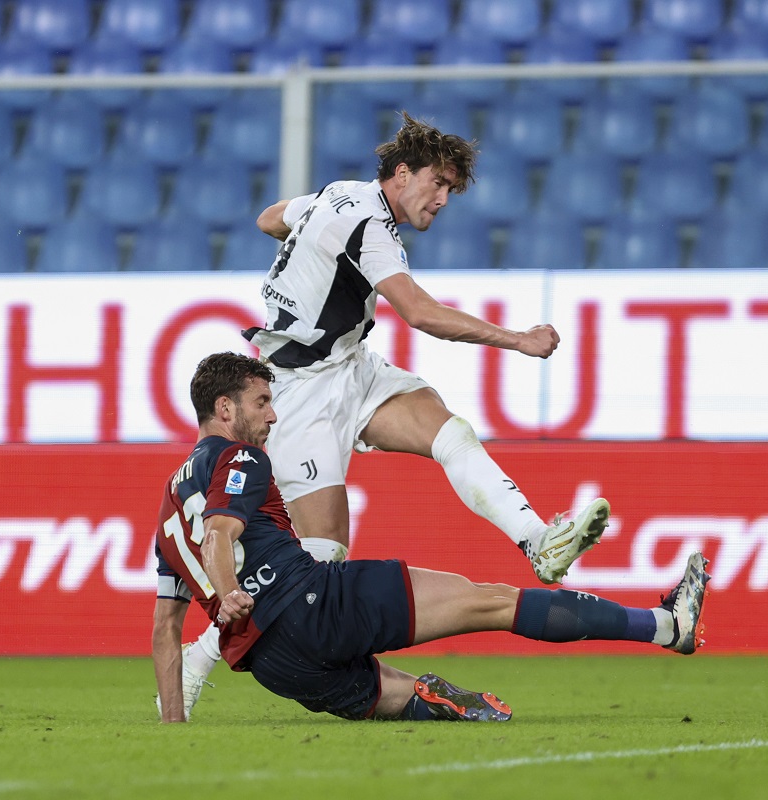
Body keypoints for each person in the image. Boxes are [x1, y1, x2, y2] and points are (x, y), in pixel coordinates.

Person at [160, 112, 614, 716]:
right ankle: (203, 652)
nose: (443, 200)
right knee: (321, 559)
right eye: (438, 184)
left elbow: (270, 217)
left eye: (452, 190)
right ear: (402, 174)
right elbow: (421, 314)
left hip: (351, 363)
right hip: (299, 390)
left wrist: (307, 261)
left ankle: (538, 541)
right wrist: (518, 339)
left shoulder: (336, 197)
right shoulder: (369, 224)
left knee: (448, 430)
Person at [153, 352, 710, 723]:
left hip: (274, 667)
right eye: (261, 403)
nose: (274, 416)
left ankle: (433, 699)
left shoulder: (165, 513)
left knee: (396, 697)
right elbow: (220, 536)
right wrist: (228, 591)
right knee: (492, 602)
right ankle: (667, 626)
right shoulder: (240, 455)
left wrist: (175, 726)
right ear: (224, 409)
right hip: (313, 603)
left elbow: (165, 629)